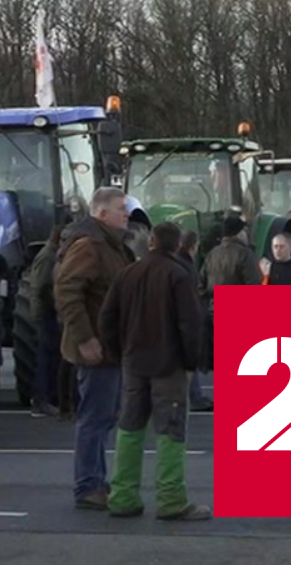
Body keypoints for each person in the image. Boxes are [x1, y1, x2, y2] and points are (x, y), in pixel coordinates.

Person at [99, 221, 211, 521]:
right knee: (170, 431)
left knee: (130, 428)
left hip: (134, 364)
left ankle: (123, 496)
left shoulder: (127, 274)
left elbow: (107, 317)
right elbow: (190, 324)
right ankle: (171, 499)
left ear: (151, 243)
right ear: (177, 246)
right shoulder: (178, 275)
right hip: (168, 366)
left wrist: (116, 352)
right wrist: (190, 364)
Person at [54, 186, 136, 510]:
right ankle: (88, 485)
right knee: (94, 417)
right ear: (101, 213)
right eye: (120, 209)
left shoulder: (113, 246)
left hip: (111, 346)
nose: (126, 214)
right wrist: (85, 338)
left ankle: (96, 481)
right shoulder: (91, 246)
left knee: (103, 417)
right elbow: (67, 291)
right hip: (96, 348)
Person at [26, 223, 66, 417]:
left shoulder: (50, 255)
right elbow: (43, 288)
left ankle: (49, 397)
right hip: (45, 314)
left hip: (47, 312)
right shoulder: (48, 257)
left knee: (51, 356)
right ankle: (41, 400)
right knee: (46, 357)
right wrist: (58, 305)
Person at [175, 230, 213, 412]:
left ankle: (192, 396)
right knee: (191, 358)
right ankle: (195, 397)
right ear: (194, 246)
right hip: (185, 319)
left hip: (176, 318)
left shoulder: (175, 262)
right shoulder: (187, 266)